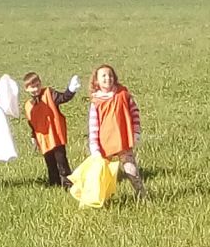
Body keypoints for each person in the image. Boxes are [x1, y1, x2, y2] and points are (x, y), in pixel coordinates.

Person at [87, 64, 145, 198]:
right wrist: (94, 147)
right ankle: (101, 198)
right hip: (104, 143)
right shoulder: (96, 102)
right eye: (103, 76)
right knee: (101, 172)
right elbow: (93, 126)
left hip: (122, 140)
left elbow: (134, 112)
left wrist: (136, 132)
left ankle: (142, 195)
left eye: (110, 75)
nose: (108, 78)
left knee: (131, 169)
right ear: (96, 81)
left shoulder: (123, 95)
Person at [23, 72, 80, 188]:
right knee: (50, 164)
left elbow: (63, 98)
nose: (36, 89)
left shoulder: (49, 94)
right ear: (26, 89)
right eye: (32, 87)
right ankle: (54, 185)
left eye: (37, 85)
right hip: (43, 140)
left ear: (40, 83)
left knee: (61, 161)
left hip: (55, 136)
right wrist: (33, 136)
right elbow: (32, 123)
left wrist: (71, 90)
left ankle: (68, 185)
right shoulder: (28, 105)